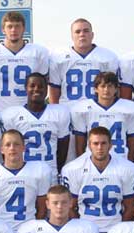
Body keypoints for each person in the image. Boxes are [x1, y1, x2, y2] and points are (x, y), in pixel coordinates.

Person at [61, 126, 134, 233]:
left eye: (104, 143)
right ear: (89, 145)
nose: (100, 147)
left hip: (114, 230)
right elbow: (70, 207)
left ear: (111, 145)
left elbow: (130, 207)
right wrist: (81, 228)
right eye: (95, 143)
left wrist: (119, 231)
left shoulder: (127, 168)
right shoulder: (73, 169)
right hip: (86, 231)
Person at [49, 18, 119, 162]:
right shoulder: (59, 57)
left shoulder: (107, 57)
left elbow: (113, 88)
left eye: (86, 31)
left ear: (92, 35)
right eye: (78, 31)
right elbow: (54, 91)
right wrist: (57, 113)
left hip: (96, 113)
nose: (82, 34)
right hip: (68, 112)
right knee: (70, 158)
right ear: (72, 35)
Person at [1, 73, 70, 182]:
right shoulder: (12, 115)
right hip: (24, 174)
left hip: (49, 173)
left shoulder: (59, 113)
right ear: (25, 88)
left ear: (47, 89)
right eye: (32, 86)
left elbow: (63, 148)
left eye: (41, 86)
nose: (36, 89)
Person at [0, 11, 49, 111]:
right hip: (1, 111)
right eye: (9, 26)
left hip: (29, 112)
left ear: (24, 29)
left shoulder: (37, 53)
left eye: (17, 26)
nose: (13, 30)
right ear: (3, 29)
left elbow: (43, 89)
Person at [71, 71, 134, 161]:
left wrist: (129, 162)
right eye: (103, 86)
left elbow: (132, 143)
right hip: (93, 160)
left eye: (110, 86)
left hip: (121, 159)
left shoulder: (130, 109)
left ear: (116, 89)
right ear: (96, 89)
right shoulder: (83, 109)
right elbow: (80, 143)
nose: (106, 90)